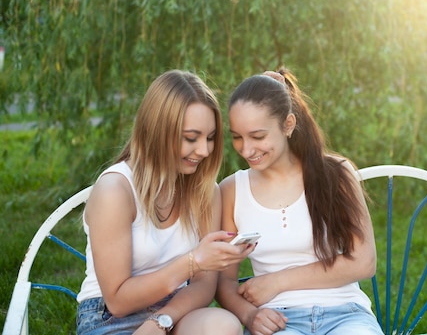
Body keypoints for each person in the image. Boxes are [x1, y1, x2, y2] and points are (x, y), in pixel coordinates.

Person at [76, 70, 253, 335]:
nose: (204, 151)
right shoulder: (116, 190)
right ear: (158, 131)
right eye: (191, 138)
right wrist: (193, 262)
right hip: (110, 318)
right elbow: (117, 300)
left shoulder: (205, 192)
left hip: (175, 312)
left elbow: (204, 286)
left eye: (210, 137)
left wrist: (161, 321)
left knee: (223, 325)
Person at [216, 68, 384, 335]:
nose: (246, 150)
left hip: (346, 315)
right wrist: (250, 315)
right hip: (278, 320)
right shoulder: (232, 190)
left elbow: (364, 262)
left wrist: (277, 281)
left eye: (258, 136)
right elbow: (224, 282)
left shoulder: (335, 174)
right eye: (237, 137)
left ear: (288, 125)